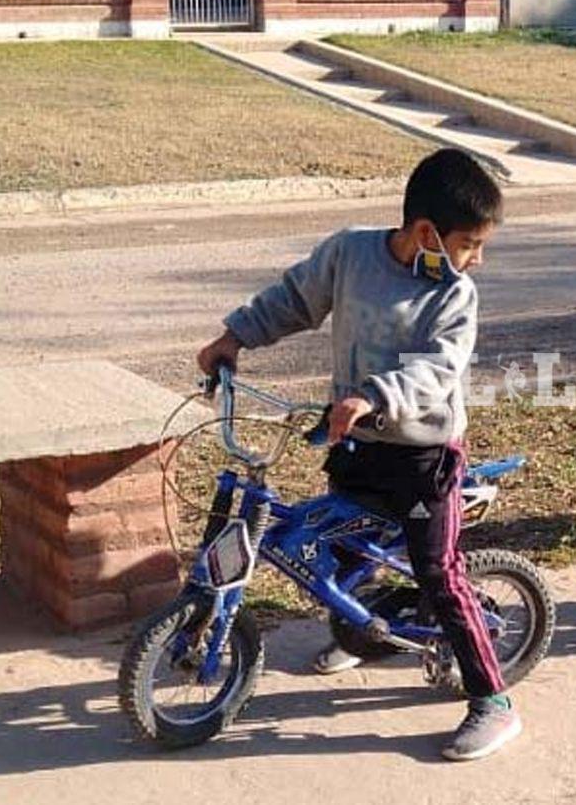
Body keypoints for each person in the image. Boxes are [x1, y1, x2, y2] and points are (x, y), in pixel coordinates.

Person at [195, 148, 519, 762]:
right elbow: (293, 298)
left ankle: (493, 702)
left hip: (424, 456)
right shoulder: (349, 254)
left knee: (439, 573)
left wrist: (373, 396)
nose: (477, 258)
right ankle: (362, 632)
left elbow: (438, 371)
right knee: (338, 553)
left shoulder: (457, 295)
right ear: (426, 233)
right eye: (470, 243)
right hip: (358, 441)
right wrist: (234, 336)